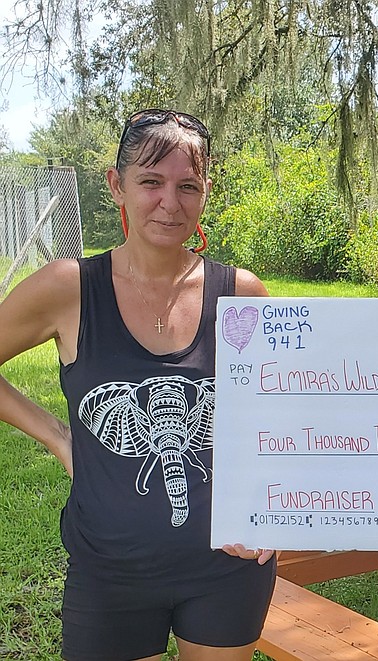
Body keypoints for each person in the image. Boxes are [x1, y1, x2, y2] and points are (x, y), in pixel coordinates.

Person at [0, 109, 276, 660]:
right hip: (109, 570)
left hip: (225, 567)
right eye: (151, 182)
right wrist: (58, 436)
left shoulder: (242, 295)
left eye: (187, 186)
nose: (169, 202)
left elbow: (274, 414)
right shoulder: (68, 288)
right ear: (116, 185)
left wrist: (269, 506)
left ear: (205, 193)